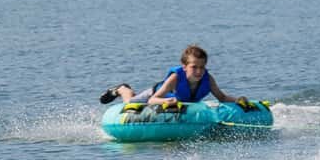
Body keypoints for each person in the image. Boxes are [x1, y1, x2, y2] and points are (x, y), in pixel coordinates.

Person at [99, 45, 245, 107]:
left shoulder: (208, 79)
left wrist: (238, 100)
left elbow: (222, 97)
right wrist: (167, 101)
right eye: (194, 67)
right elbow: (152, 100)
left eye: (202, 67)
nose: (199, 71)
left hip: (176, 102)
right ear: (184, 67)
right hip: (155, 93)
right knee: (129, 103)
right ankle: (122, 89)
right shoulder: (176, 78)